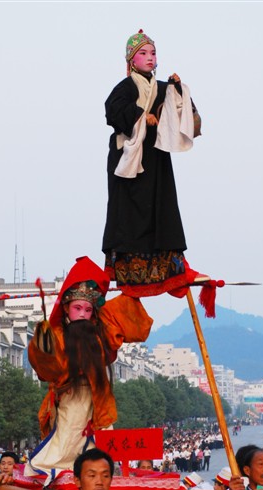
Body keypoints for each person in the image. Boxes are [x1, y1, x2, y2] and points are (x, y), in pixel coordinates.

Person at [26, 256, 152, 478]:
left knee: (103, 450)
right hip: (70, 398)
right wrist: (43, 344)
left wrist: (134, 286)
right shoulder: (56, 335)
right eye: (77, 308)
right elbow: (47, 367)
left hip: (100, 401)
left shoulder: (101, 328)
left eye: (87, 309)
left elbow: (129, 316)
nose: (83, 314)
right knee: (68, 438)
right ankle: (58, 472)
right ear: (66, 309)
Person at [102, 30, 202, 298]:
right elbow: (112, 109)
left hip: (156, 158)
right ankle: (128, 269)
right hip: (129, 159)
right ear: (131, 60)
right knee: (129, 217)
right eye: (143, 53)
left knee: (161, 211)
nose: (149, 58)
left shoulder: (161, 87)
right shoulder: (125, 88)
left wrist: (179, 92)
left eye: (153, 53)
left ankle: (167, 269)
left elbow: (184, 116)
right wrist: (140, 117)